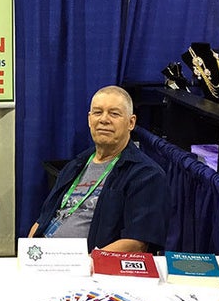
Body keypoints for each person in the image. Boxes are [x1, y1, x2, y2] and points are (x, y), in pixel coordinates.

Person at [28, 85, 170, 252]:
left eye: (114, 113)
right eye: (97, 112)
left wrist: (85, 264)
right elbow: (42, 220)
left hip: (90, 269)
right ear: (89, 120)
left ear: (131, 122)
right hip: (44, 260)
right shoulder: (75, 165)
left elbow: (135, 244)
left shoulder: (147, 175)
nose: (104, 119)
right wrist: (29, 252)